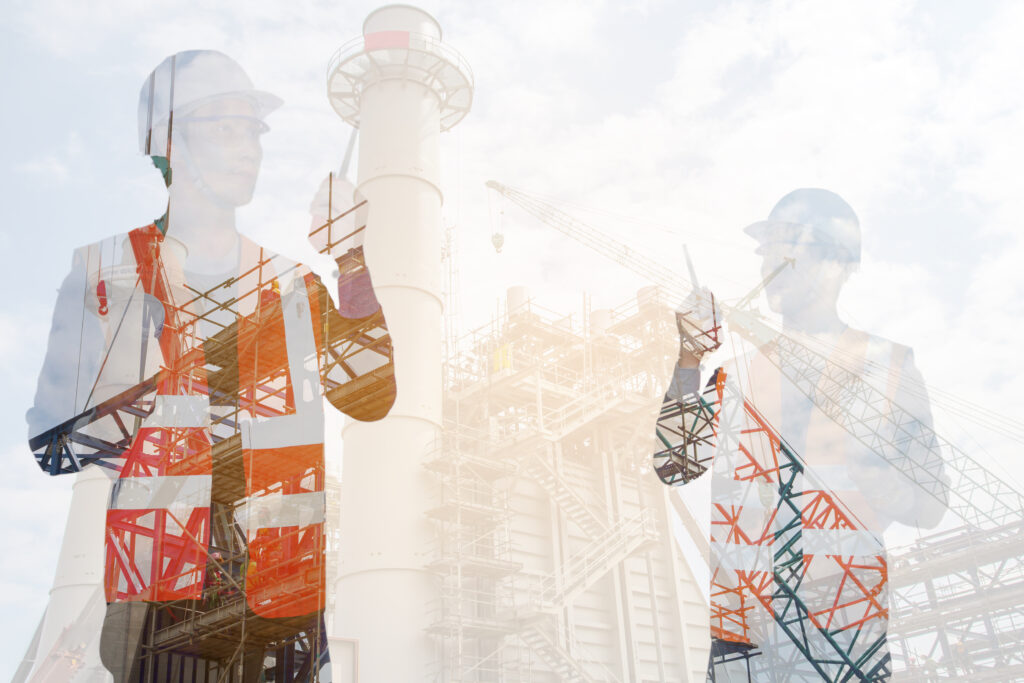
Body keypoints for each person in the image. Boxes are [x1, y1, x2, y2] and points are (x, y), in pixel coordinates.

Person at [27, 50, 394, 680]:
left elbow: (368, 397)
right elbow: (54, 444)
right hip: (160, 611)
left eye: (252, 129)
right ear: (166, 142)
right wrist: (162, 352)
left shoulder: (293, 286)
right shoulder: (105, 274)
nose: (246, 145)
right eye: (222, 126)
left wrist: (352, 261)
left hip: (287, 612)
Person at [654, 188, 948, 681]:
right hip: (742, 630)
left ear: (837, 260)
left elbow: (928, 505)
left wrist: (862, 455)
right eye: (766, 249)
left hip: (841, 617)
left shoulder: (888, 367)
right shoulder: (736, 376)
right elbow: (674, 465)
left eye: (787, 244)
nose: (769, 259)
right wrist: (689, 358)